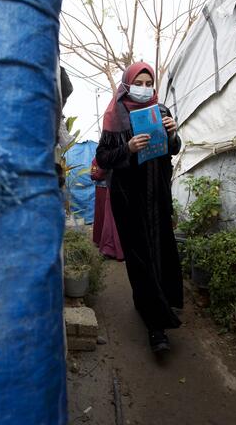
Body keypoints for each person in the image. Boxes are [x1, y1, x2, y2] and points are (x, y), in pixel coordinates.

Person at [95, 61, 182, 353]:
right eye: (139, 83)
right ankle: (156, 328)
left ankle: (159, 302)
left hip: (157, 194)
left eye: (149, 84)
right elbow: (104, 158)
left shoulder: (162, 112)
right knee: (140, 255)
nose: (144, 89)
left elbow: (175, 147)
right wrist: (128, 148)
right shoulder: (114, 117)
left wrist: (172, 134)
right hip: (128, 198)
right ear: (127, 84)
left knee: (162, 250)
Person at [90, 158, 125, 261]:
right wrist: (103, 171)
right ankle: (103, 241)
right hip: (102, 190)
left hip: (112, 189)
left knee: (111, 219)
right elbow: (93, 175)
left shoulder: (116, 156)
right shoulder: (96, 160)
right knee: (103, 217)